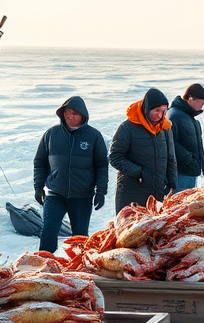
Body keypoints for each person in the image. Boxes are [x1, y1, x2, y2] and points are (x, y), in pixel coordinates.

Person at [33, 96, 108, 254]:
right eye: (67, 112)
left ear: (83, 115)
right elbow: (40, 161)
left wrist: (101, 191)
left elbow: (101, 165)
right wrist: (38, 187)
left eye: (75, 113)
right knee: (48, 231)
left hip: (82, 196)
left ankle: (79, 270)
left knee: (80, 238)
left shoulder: (94, 136)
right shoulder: (51, 134)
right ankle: (44, 266)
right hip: (55, 194)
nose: (70, 116)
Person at [109, 88, 177, 212]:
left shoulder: (165, 128)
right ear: (147, 108)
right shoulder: (128, 127)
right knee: (130, 229)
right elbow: (115, 157)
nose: (160, 115)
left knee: (154, 229)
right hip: (132, 192)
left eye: (163, 111)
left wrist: (172, 181)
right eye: (156, 110)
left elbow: (170, 157)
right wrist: (141, 173)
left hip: (157, 192)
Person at [168, 84, 204, 192]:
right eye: (201, 103)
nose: (202, 106)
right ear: (191, 98)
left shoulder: (189, 116)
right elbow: (170, 142)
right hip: (181, 173)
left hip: (191, 170)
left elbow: (196, 142)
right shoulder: (174, 115)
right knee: (180, 205)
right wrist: (188, 160)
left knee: (189, 204)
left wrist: (203, 161)